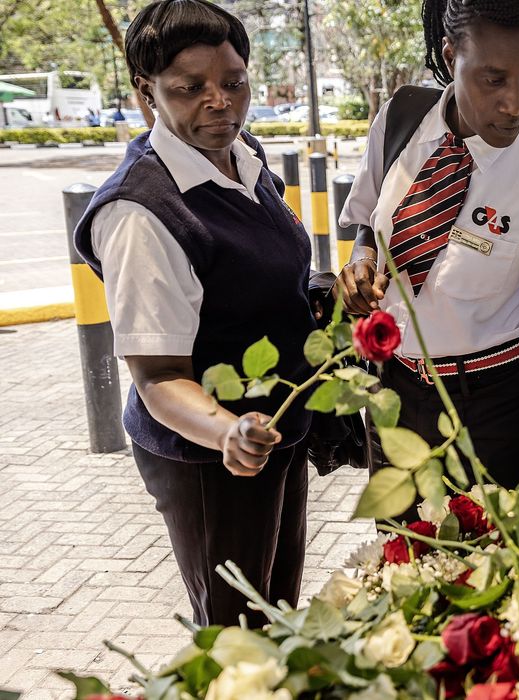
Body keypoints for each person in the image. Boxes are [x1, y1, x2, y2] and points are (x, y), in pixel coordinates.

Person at [72, 0, 313, 625]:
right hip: (208, 459)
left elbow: (262, 273)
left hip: (270, 433)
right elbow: (156, 376)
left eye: (234, 83)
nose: (221, 103)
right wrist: (225, 432)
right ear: (146, 92)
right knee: (235, 634)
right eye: (191, 89)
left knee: (278, 614)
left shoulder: (242, 155)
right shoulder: (141, 213)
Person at [336, 0, 519, 503]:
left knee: (497, 569)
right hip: (398, 398)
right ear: (451, 56)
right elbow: (368, 221)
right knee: (402, 563)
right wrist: (361, 263)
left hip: (500, 412)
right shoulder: (401, 120)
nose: (515, 104)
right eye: (493, 80)